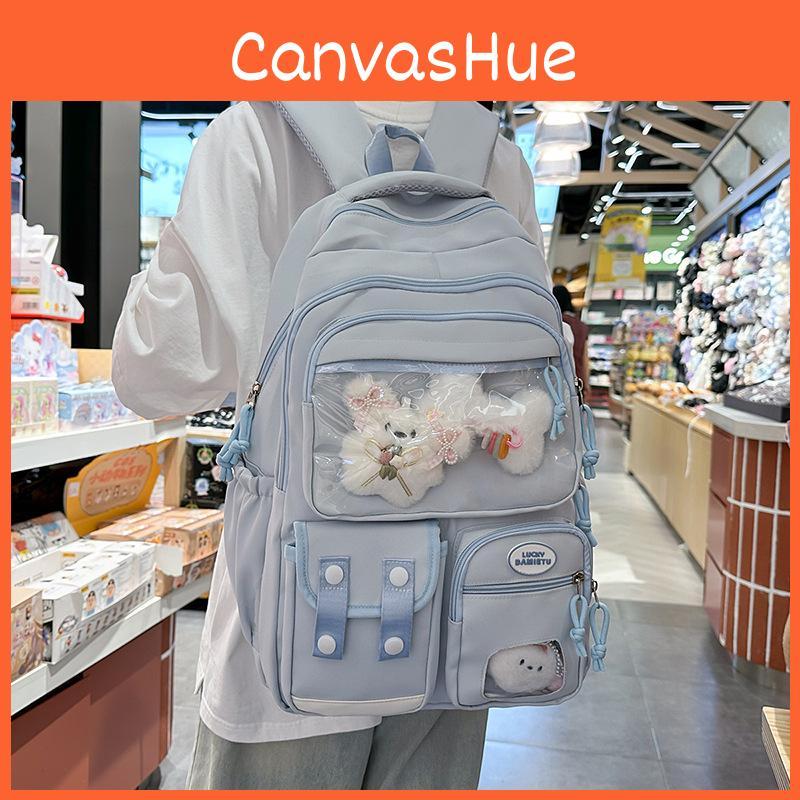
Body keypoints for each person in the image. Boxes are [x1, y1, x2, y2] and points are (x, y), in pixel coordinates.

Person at [112, 101, 545, 790]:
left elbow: (157, 373)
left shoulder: (255, 134)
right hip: (463, 608)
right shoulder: (497, 157)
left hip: (299, 608)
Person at [553, 284, 590, 398]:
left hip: (558, 381)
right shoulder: (581, 326)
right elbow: (584, 358)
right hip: (578, 381)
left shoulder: (554, 323)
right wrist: (587, 385)